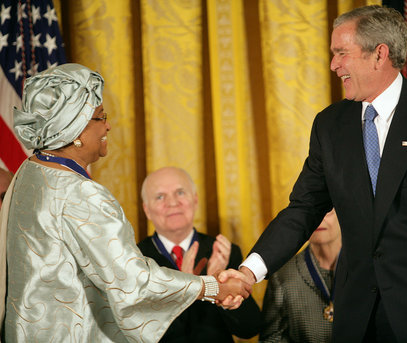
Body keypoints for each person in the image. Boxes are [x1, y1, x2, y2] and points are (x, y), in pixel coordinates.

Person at [220, 5, 407, 343]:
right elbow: (303, 209)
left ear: (379, 54)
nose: (333, 65)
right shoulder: (330, 125)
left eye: (341, 53)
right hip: (356, 316)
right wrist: (249, 272)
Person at [0, 63, 250, 342]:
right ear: (75, 127)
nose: (107, 125)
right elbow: (132, 283)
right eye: (100, 116)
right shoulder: (81, 194)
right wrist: (211, 286)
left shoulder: (28, 174)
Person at [138, 166, 261, 342]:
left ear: (195, 200)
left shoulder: (222, 252)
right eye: (160, 197)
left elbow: (250, 328)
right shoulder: (135, 259)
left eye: (180, 193)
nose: (172, 203)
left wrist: (218, 284)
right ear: (147, 210)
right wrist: (185, 287)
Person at [260, 209, 341, 343]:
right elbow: (271, 338)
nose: (319, 219)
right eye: (311, 211)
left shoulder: (368, 265)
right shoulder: (282, 274)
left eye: (327, 211)